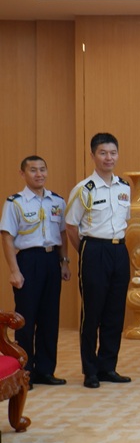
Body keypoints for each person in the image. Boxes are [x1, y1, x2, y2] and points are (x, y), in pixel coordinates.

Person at [65, 132, 132, 389]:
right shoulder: (84, 189)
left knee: (115, 313)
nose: (108, 158)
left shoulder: (124, 187)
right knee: (92, 313)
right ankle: (90, 370)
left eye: (113, 153)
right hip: (93, 250)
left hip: (119, 251)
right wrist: (85, 251)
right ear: (93, 155)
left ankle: (107, 367)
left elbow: (125, 220)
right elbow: (71, 227)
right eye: (103, 153)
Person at [1, 156, 71, 388]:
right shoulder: (15, 203)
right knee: (26, 319)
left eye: (42, 169)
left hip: (51, 260)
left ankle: (45, 370)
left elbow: (62, 234)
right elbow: (7, 237)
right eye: (33, 170)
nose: (39, 174)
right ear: (23, 174)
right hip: (28, 260)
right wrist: (14, 271)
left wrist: (64, 262)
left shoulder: (57, 201)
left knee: (50, 318)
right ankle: (25, 371)